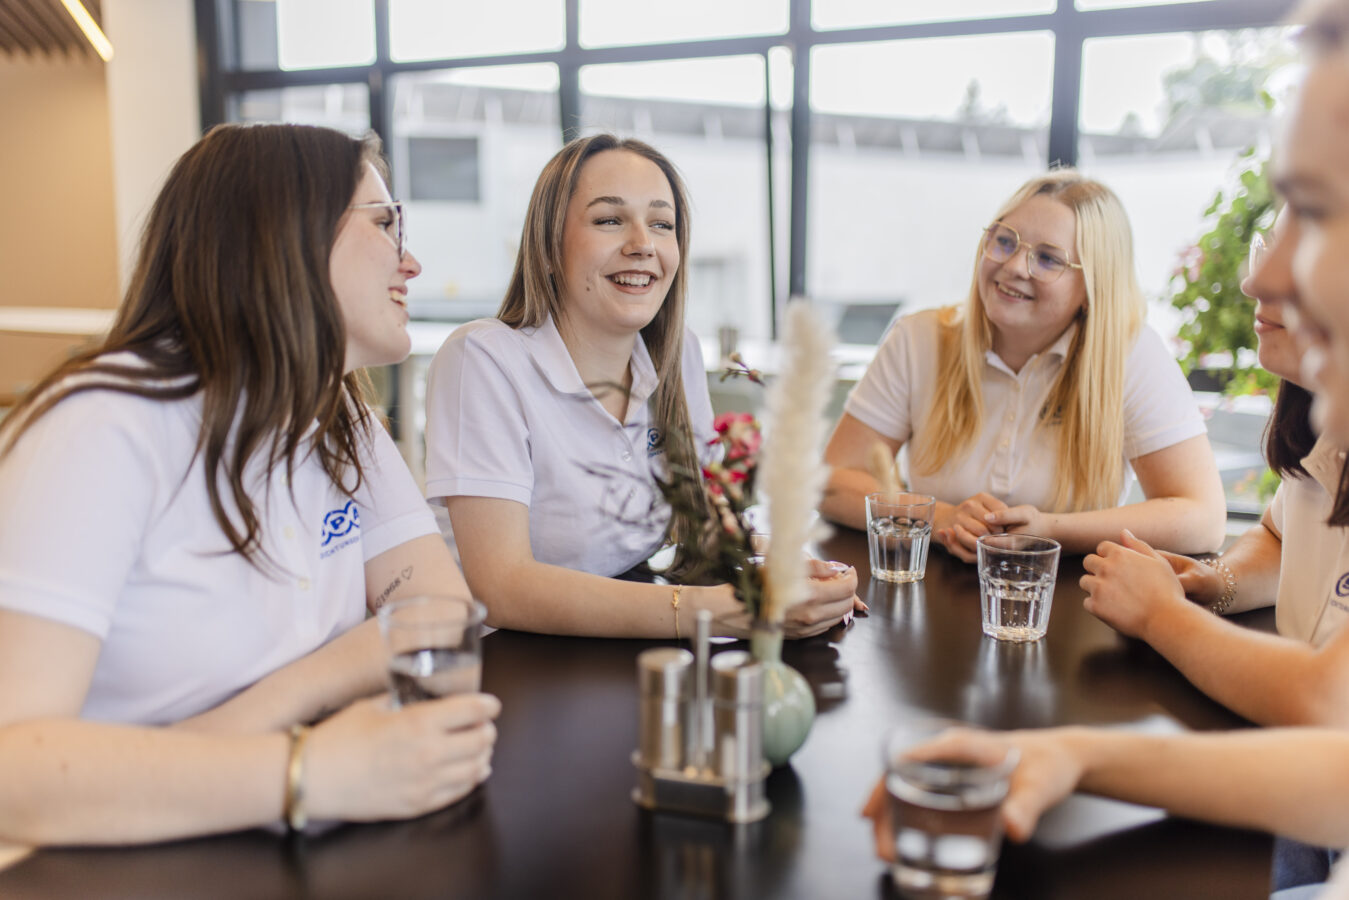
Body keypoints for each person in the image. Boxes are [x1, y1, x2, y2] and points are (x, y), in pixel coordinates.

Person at [0, 124, 498, 846]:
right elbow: (15, 773)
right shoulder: (104, 427)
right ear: (282, 235)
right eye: (386, 224)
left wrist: (260, 713)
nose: (410, 261)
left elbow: (438, 613)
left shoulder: (339, 413)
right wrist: (308, 772)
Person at [423, 134, 859, 638]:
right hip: (507, 667)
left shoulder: (678, 354)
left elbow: (690, 530)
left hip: (624, 645)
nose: (643, 244)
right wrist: (722, 610)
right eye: (609, 220)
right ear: (547, 248)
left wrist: (782, 565)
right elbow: (500, 588)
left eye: (661, 224)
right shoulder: (483, 359)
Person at [820, 171, 1227, 562]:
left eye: (1049, 259)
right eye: (1004, 241)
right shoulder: (917, 339)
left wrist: (1050, 530)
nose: (1014, 266)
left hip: (1071, 606)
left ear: (1092, 288)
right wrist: (939, 517)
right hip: (929, 601)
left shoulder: (1129, 354)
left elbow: (1203, 519)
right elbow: (831, 485)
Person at [1079, 211, 1349, 728]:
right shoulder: (1323, 441)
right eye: (1268, 246)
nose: (1253, 280)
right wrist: (1214, 579)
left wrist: (1163, 615)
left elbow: (1325, 703)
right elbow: (1277, 534)